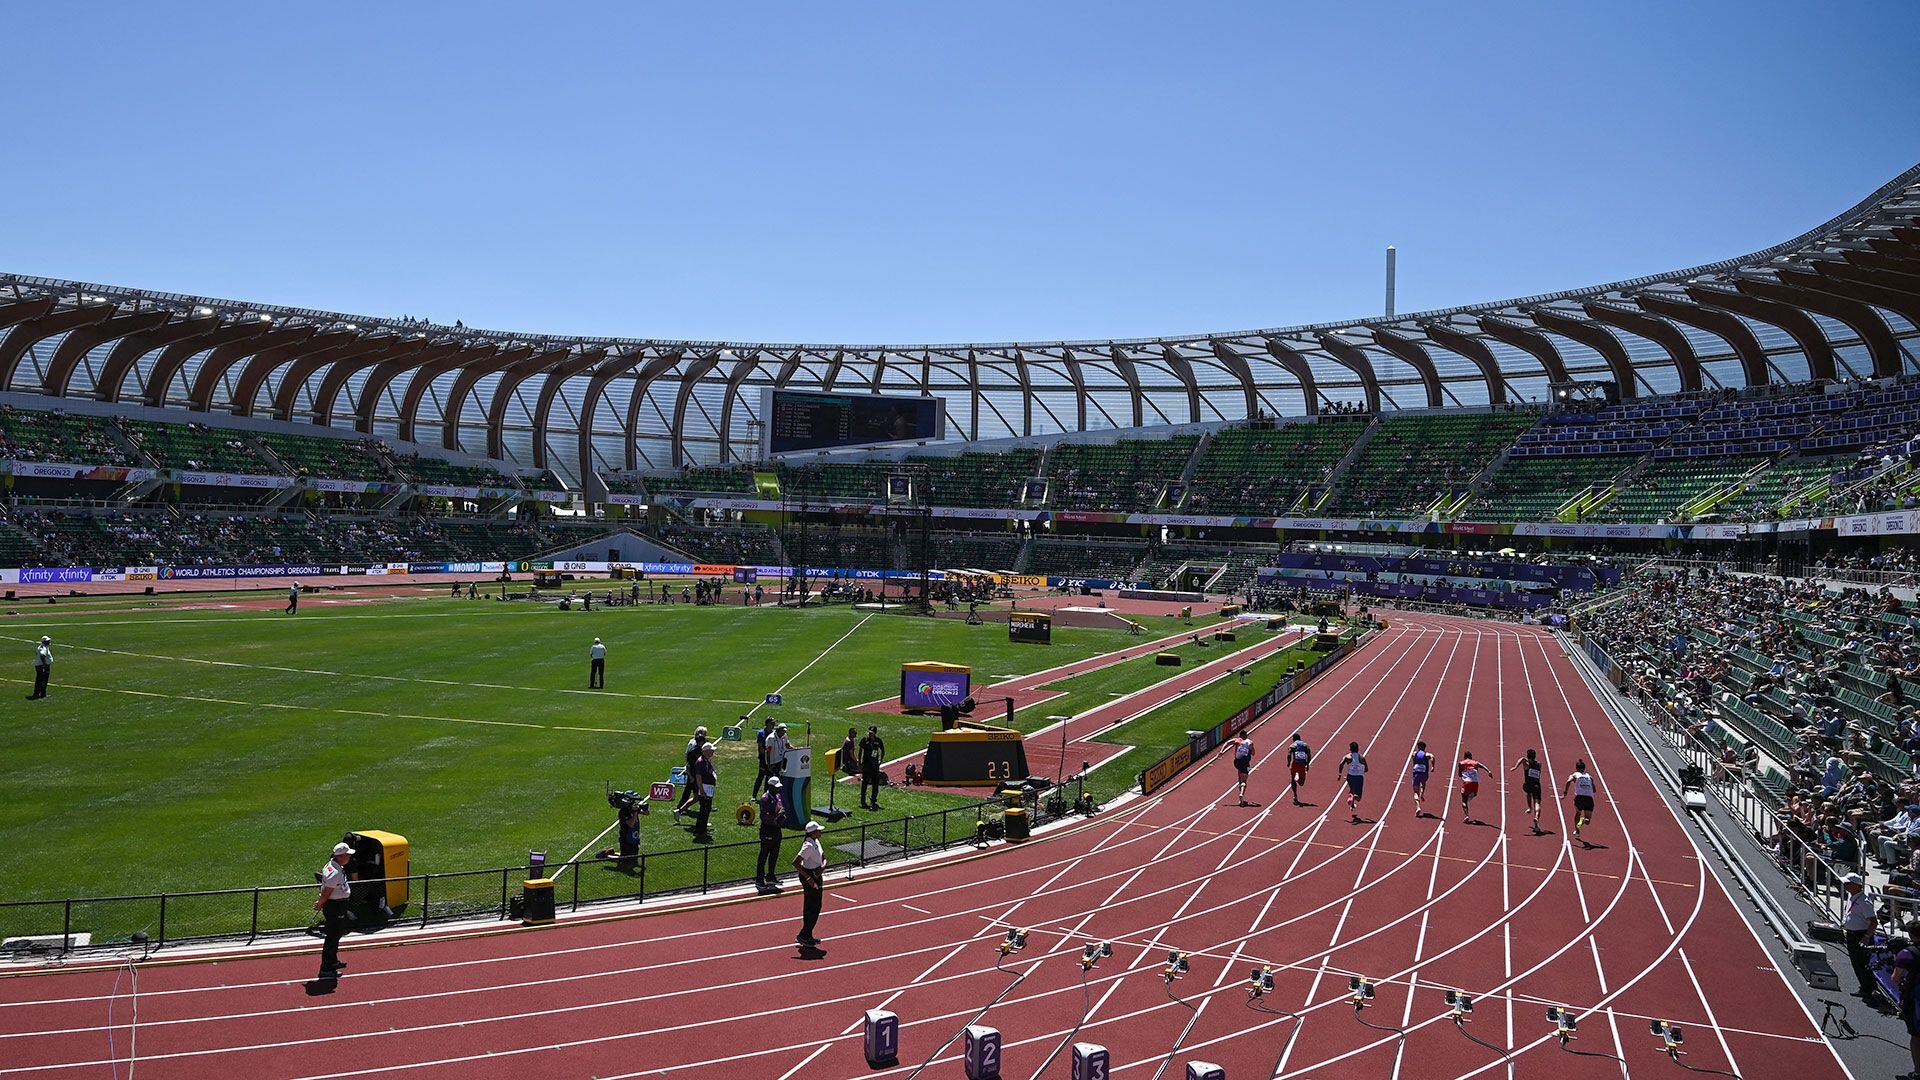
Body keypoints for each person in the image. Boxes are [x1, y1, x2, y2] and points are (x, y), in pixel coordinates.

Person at [1841, 872, 1890, 1007]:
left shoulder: (1864, 902)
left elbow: (1873, 922)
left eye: (1848, 883)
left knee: (1863, 964)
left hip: (1861, 936)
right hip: (1852, 934)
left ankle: (1870, 990)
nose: (1845, 885)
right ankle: (1864, 988)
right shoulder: (1852, 897)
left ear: (1856, 885)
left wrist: (1866, 937)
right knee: (1856, 964)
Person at [313, 841, 354, 979]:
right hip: (335, 906)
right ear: (341, 856)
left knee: (336, 935)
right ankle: (326, 968)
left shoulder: (333, 865)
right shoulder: (334, 872)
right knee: (332, 937)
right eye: (347, 855)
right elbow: (327, 891)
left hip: (337, 905)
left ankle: (333, 961)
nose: (349, 857)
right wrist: (320, 903)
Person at [794, 820, 827, 946]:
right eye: (819, 830)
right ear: (813, 833)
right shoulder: (808, 845)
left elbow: (824, 858)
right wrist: (809, 878)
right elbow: (796, 863)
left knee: (816, 906)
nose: (821, 831)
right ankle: (804, 935)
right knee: (811, 906)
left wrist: (821, 869)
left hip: (816, 874)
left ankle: (807, 934)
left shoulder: (816, 842)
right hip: (810, 876)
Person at [756, 777, 786, 892]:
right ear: (770, 787)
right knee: (764, 855)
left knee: (774, 854)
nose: (778, 789)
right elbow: (765, 816)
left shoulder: (777, 796)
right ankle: (759, 879)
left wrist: (781, 813)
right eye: (776, 787)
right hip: (767, 829)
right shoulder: (765, 799)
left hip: (776, 829)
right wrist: (777, 815)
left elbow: (780, 807)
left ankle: (771, 876)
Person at [673, 725, 709, 818]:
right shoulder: (694, 749)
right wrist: (693, 776)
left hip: (694, 774)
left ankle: (680, 808)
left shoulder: (696, 748)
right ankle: (681, 808)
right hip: (694, 774)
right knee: (696, 795)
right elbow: (690, 761)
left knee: (692, 793)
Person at [1562, 759, 1597, 843]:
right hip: (1589, 799)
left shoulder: (1575, 775)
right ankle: (1582, 821)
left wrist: (1565, 792)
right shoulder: (1590, 777)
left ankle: (1577, 829)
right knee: (1587, 820)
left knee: (1578, 813)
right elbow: (1594, 790)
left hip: (1579, 798)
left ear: (1576, 768)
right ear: (1584, 768)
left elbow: (1568, 781)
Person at [690, 743, 718, 843]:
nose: (713, 752)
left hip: (708, 788)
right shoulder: (700, 762)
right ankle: (699, 830)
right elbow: (698, 778)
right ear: (706, 751)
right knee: (704, 810)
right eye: (711, 750)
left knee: (706, 809)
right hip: (705, 789)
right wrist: (702, 791)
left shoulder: (706, 760)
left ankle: (703, 828)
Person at [1512, 749, 1544, 833]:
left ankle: (1530, 808)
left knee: (1528, 793)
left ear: (1527, 756)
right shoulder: (1539, 764)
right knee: (1537, 802)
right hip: (1537, 785)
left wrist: (1515, 767)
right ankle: (1536, 817)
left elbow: (1522, 759)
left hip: (1528, 784)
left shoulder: (1526, 764)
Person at [1222, 734, 1255, 806]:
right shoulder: (1250, 742)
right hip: (1245, 763)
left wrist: (1222, 751)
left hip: (1237, 762)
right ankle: (1241, 794)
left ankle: (1241, 802)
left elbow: (1227, 743)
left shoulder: (1236, 740)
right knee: (1244, 781)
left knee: (1240, 778)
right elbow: (1253, 753)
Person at [1339, 741, 1368, 822]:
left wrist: (1340, 774)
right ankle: (1353, 798)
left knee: (1352, 790)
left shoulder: (1347, 757)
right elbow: (1366, 769)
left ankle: (1351, 802)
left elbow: (1341, 764)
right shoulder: (1362, 757)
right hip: (1359, 777)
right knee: (1359, 798)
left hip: (1350, 776)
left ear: (1350, 749)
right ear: (1358, 749)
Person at [859, 725, 886, 810]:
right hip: (866, 764)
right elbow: (860, 750)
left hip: (874, 765)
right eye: (870, 733)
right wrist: (859, 762)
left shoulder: (878, 741)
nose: (870, 734)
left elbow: (882, 750)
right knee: (865, 782)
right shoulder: (865, 740)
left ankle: (873, 800)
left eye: (872, 733)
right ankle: (863, 800)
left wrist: (880, 760)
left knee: (875, 783)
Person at [752, 717, 778, 796]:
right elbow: (760, 748)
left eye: (774, 723)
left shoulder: (774, 734)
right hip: (764, 759)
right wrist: (766, 757)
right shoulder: (761, 733)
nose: (773, 725)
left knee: (769, 777)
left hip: (771, 759)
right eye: (772, 723)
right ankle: (754, 795)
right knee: (760, 777)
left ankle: (765, 794)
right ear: (767, 724)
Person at [1457, 752, 1486, 822]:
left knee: (1464, 800)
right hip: (1475, 783)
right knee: (1474, 794)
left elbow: (1459, 774)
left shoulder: (1461, 763)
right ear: (1471, 756)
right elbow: (1482, 766)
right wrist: (1488, 771)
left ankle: (1466, 815)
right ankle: (1472, 794)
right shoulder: (1475, 763)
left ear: (1464, 757)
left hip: (1467, 783)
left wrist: (1463, 773)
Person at [1286, 732, 1312, 806]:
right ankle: (1297, 779)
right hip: (1302, 765)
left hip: (1295, 764)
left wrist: (1288, 762)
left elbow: (1289, 753)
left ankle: (1295, 795)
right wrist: (1307, 764)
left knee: (1293, 780)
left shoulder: (1293, 745)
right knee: (1301, 783)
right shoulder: (1305, 745)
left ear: (1293, 739)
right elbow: (1309, 755)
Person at [1408, 740, 1433, 817]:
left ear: (1418, 747)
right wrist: (1433, 766)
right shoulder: (1426, 754)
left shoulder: (1414, 754)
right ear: (1424, 748)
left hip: (1416, 774)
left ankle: (1418, 807)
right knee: (1424, 782)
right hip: (1424, 774)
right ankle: (1422, 793)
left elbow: (1412, 758)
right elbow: (1432, 756)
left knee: (1415, 792)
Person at [28, 635, 51, 700]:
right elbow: (42, 655)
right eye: (48, 641)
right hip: (42, 666)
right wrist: (44, 665)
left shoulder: (43, 647)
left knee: (41, 680)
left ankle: (41, 694)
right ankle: (39, 694)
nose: (49, 642)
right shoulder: (43, 648)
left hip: (40, 665)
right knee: (42, 680)